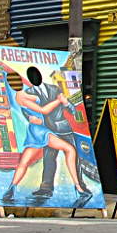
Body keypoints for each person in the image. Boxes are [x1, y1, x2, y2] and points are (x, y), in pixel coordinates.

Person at [1, 68, 93, 208]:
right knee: (65, 152)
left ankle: (11, 189)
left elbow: (61, 107)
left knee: (25, 161)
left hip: (52, 129)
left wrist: (66, 103)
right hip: (43, 131)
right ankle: (73, 189)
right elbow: (43, 110)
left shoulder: (40, 91)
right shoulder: (23, 95)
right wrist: (59, 100)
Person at [25, 68, 77, 202]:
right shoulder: (28, 93)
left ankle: (79, 186)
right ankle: (46, 188)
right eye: (31, 76)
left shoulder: (54, 89)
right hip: (49, 131)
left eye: (35, 75)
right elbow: (28, 111)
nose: (34, 78)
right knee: (48, 160)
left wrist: (65, 103)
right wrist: (29, 117)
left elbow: (72, 109)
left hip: (64, 129)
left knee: (73, 158)